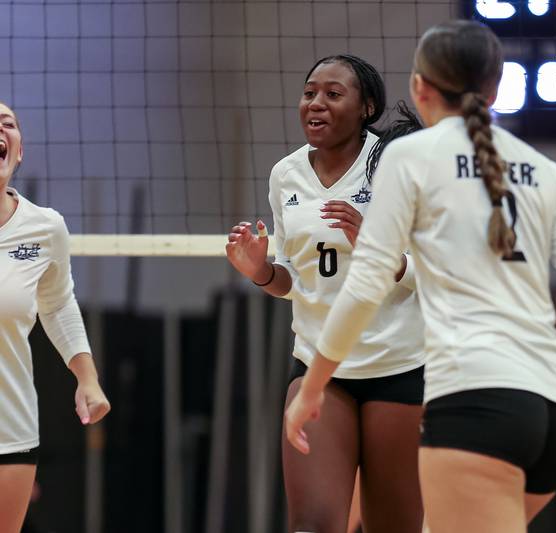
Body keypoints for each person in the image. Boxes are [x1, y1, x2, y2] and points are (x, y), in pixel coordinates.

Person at [285, 21, 556, 533]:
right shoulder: (542, 169)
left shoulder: (409, 156)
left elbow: (369, 279)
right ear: (498, 88)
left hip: (473, 401)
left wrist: (313, 384)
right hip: (553, 411)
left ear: (419, 87)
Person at [225, 56, 426, 533]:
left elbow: (435, 270)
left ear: (366, 107)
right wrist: (259, 270)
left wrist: (379, 249)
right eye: (309, 92)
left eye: (333, 95)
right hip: (320, 368)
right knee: (312, 526)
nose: (315, 103)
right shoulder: (285, 174)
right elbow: (294, 279)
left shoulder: (395, 164)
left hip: (398, 368)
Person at [0, 101, 111, 532]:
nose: (1, 129)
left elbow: (58, 304)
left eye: (8, 124)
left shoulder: (44, 228)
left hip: (11, 428)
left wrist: (88, 379)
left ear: (19, 150)